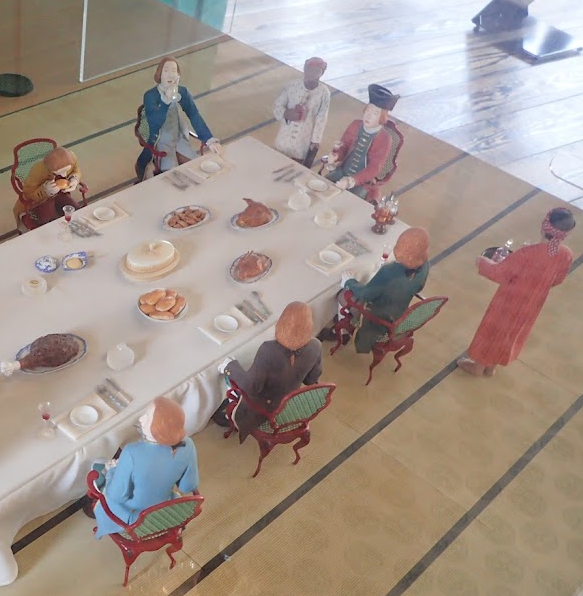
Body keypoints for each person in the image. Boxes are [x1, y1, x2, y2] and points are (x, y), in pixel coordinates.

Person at [458, 208, 576, 377]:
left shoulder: (527, 253)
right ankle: (491, 366)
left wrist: (482, 262)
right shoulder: (565, 255)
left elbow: (499, 273)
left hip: (509, 299)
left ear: (544, 226)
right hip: (532, 303)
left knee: (494, 330)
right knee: (510, 333)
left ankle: (478, 366)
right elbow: (557, 280)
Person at [91, 397, 200, 537]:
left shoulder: (132, 452)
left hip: (134, 516)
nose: (141, 419)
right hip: (164, 510)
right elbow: (187, 486)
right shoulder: (188, 444)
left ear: (158, 427)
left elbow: (117, 496)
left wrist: (111, 471)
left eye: (147, 417)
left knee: (97, 467)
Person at [214, 302, 323, 441]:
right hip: (287, 403)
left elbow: (250, 387)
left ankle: (230, 415)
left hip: (259, 410)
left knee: (230, 375)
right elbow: (311, 380)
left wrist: (230, 366)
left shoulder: (269, 350)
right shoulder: (316, 346)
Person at [321, 227, 430, 354]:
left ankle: (343, 332)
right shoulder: (425, 265)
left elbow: (365, 295)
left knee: (343, 295)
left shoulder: (390, 272)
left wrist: (349, 282)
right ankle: (347, 320)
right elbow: (419, 287)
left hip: (377, 318)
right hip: (398, 311)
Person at [136, 56, 223, 180]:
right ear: (160, 74)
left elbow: (194, 115)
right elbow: (154, 123)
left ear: (178, 75)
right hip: (161, 143)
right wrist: (165, 102)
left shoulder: (182, 92)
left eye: (174, 71)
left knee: (197, 168)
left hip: (178, 138)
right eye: (166, 71)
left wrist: (209, 140)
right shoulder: (150, 96)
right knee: (174, 176)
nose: (170, 74)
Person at [325, 84, 400, 202]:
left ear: (382, 117)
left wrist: (351, 181)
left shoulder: (384, 138)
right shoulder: (355, 125)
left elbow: (374, 168)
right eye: (368, 111)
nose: (368, 116)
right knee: (324, 189)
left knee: (348, 202)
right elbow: (344, 146)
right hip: (342, 172)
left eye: (375, 113)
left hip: (362, 182)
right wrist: (337, 155)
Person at [272, 57, 331, 167]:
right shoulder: (292, 86)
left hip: (302, 142)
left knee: (295, 167)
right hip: (284, 139)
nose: (312, 73)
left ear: (322, 73)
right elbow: (277, 105)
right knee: (274, 164)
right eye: (310, 69)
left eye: (317, 71)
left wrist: (315, 141)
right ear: (304, 69)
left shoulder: (324, 93)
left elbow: (321, 119)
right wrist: (287, 114)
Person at [13, 145, 83, 227]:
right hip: (40, 201)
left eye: (66, 171)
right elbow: (28, 194)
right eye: (60, 172)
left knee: (76, 210)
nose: (64, 175)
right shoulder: (37, 171)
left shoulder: (72, 157)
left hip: (60, 194)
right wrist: (45, 191)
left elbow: (75, 169)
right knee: (47, 221)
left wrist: (75, 178)